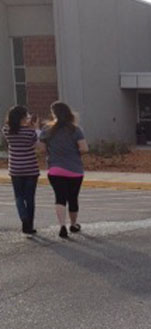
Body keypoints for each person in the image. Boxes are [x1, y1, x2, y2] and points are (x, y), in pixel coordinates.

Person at [37, 101, 88, 239]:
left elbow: (41, 149)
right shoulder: (75, 129)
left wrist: (52, 150)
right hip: (75, 169)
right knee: (73, 198)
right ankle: (74, 224)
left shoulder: (47, 130)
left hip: (55, 169)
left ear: (54, 114)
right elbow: (84, 148)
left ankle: (62, 226)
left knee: (60, 198)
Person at [2, 105, 40, 234]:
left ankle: (23, 218)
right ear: (23, 117)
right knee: (30, 197)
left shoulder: (7, 130)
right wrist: (34, 128)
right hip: (31, 168)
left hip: (15, 168)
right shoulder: (30, 131)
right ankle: (29, 224)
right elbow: (36, 145)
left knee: (18, 196)